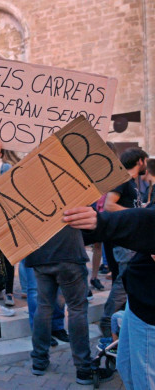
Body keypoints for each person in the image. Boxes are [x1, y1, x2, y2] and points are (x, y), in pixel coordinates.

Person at [63, 205, 155, 390]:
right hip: (139, 302)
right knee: (126, 366)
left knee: (144, 381)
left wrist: (101, 222)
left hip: (149, 310)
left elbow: (146, 222)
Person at [25, 227, 113, 385]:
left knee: (44, 307)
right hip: (69, 251)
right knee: (76, 310)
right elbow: (89, 224)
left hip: (40, 252)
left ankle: (39, 360)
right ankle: (83, 368)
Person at [101, 147, 148, 338]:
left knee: (127, 281)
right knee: (123, 282)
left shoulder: (131, 182)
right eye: (145, 160)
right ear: (139, 161)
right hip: (124, 242)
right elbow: (109, 205)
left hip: (130, 241)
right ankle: (106, 322)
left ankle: (119, 323)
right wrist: (136, 214)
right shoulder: (122, 179)